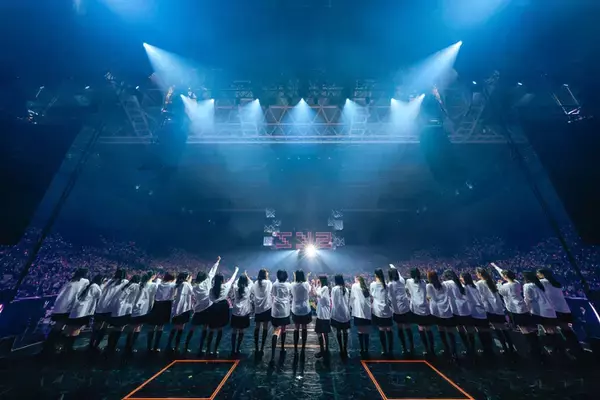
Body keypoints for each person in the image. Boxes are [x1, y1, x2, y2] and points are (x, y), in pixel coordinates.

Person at [42, 268, 89, 355]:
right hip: (68, 308)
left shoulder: (70, 281)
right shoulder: (84, 282)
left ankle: (48, 346)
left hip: (60, 307)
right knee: (67, 328)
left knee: (57, 327)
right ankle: (59, 347)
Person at [537, 268, 582, 354]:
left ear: (542, 274)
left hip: (554, 309)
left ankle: (559, 349)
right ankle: (575, 347)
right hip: (564, 308)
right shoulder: (556, 282)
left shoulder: (542, 282)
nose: (537, 275)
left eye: (538, 273)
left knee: (551, 329)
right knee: (567, 329)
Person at [498, 269, 540, 357]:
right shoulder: (516, 282)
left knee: (524, 329)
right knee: (530, 328)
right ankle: (537, 346)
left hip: (515, 309)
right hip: (523, 307)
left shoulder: (506, 285)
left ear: (505, 276)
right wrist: (495, 266)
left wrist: (499, 284)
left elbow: (501, 292)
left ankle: (532, 349)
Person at [475, 267, 513, 354]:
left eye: (477, 273)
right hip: (498, 308)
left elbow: (482, 296)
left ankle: (504, 348)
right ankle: (511, 347)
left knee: (497, 329)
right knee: (503, 329)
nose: (476, 275)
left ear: (479, 274)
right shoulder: (490, 280)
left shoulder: (480, 283)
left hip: (490, 309)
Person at [523, 271, 561, 355]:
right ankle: (559, 347)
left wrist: (527, 309)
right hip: (550, 308)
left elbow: (528, 298)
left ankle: (552, 349)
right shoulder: (541, 283)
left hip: (540, 310)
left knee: (547, 329)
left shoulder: (527, 285)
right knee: (553, 329)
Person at [188, 256, 221, 355]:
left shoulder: (194, 286)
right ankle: (202, 347)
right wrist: (217, 261)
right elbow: (212, 271)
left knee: (192, 328)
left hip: (198, 309)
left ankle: (185, 345)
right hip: (207, 308)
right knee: (205, 328)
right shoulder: (207, 282)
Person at [90, 268, 128, 352]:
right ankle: (101, 345)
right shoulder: (125, 282)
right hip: (110, 308)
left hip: (100, 306)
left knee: (97, 327)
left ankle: (92, 344)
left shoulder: (110, 281)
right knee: (105, 326)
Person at [64, 273, 103, 353]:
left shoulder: (89, 284)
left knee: (69, 328)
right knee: (76, 329)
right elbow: (99, 295)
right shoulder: (96, 287)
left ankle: (63, 345)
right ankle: (69, 348)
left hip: (77, 308)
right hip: (83, 311)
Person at [206, 266, 239, 356]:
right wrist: (236, 270)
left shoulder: (212, 289)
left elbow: (210, 298)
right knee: (220, 329)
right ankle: (215, 349)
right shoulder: (225, 286)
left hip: (213, 307)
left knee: (211, 329)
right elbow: (232, 279)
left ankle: (208, 349)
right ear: (222, 280)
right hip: (223, 307)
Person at [105, 275, 141, 353]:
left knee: (116, 328)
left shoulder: (127, 284)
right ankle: (113, 347)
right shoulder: (136, 286)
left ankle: (109, 346)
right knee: (120, 328)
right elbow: (136, 298)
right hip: (125, 310)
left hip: (118, 309)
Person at [461, 272, 494, 356]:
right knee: (485, 331)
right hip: (482, 311)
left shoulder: (465, 288)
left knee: (477, 331)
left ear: (464, 279)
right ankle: (489, 349)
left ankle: (479, 350)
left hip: (474, 312)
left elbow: (465, 299)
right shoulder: (476, 285)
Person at [426, 270, 457, 359]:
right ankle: (454, 352)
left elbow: (429, 297)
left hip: (437, 312)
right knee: (450, 332)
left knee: (441, 330)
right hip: (446, 310)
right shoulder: (444, 285)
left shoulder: (429, 286)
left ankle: (446, 349)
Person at [442, 269, 474, 356]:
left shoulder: (446, 283)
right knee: (469, 330)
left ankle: (467, 347)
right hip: (466, 309)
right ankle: (472, 349)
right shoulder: (459, 282)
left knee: (460, 329)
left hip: (456, 310)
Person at [127, 272, 158, 354]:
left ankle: (128, 345)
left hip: (134, 308)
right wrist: (151, 308)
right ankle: (131, 347)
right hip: (143, 309)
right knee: (138, 327)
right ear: (153, 276)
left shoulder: (139, 284)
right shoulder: (153, 285)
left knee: (132, 327)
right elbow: (152, 298)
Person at [406, 268, 433, 355]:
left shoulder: (409, 282)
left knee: (421, 328)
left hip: (417, 309)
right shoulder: (424, 282)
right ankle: (432, 349)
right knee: (428, 329)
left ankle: (426, 349)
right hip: (425, 308)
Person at [147, 271, 176, 352]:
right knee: (160, 327)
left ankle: (149, 347)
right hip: (166, 305)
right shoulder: (172, 285)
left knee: (152, 326)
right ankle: (156, 347)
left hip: (157, 304)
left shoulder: (159, 283)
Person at [388, 266, 413, 355]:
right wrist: (393, 266)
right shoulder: (402, 280)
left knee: (400, 328)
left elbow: (390, 296)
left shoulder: (390, 284)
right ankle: (412, 346)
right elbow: (398, 273)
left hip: (397, 309)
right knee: (408, 327)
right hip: (405, 307)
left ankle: (404, 347)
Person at [167, 272, 194, 353]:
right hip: (184, 309)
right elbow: (192, 293)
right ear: (186, 277)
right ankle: (176, 346)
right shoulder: (186, 284)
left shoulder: (178, 284)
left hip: (177, 308)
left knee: (175, 327)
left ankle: (169, 345)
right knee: (180, 328)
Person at [270, 270, 292, 362]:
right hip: (284, 310)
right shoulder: (288, 285)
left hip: (276, 309)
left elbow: (273, 294)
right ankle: (282, 348)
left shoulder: (275, 284)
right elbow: (290, 294)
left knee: (275, 331)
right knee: (283, 329)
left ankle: (273, 353)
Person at [370, 268, 393, 356]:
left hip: (378, 311)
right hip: (387, 309)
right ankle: (390, 349)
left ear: (375, 275)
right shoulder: (386, 285)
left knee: (381, 330)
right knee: (389, 329)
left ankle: (384, 349)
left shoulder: (373, 284)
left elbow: (372, 295)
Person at [230, 272, 253, 356]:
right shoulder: (248, 289)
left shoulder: (235, 288)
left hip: (235, 312)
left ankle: (233, 349)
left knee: (234, 331)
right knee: (241, 330)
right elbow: (251, 282)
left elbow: (235, 283)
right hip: (244, 313)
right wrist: (246, 275)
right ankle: (238, 348)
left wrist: (238, 278)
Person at [251, 268, 272, 355]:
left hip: (258, 308)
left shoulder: (256, 283)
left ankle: (256, 347)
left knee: (257, 327)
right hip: (266, 307)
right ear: (265, 275)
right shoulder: (268, 282)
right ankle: (262, 347)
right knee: (265, 327)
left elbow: (253, 292)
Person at [291, 270, 312, 354]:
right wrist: (307, 277)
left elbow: (293, 289)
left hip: (296, 309)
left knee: (296, 327)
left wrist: (294, 277)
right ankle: (303, 347)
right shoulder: (306, 284)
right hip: (305, 309)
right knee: (304, 327)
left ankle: (295, 348)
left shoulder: (292, 284)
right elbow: (309, 289)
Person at [350, 275, 372, 356]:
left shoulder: (354, 286)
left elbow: (352, 297)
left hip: (359, 311)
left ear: (357, 279)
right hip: (367, 312)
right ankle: (366, 349)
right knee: (366, 331)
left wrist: (351, 307)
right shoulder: (365, 287)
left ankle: (362, 349)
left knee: (360, 331)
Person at [331, 274, 351, 358]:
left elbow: (333, 301)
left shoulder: (334, 289)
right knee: (345, 331)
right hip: (345, 312)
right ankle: (345, 348)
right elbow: (347, 301)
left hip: (337, 312)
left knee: (338, 331)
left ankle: (341, 348)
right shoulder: (346, 289)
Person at [315, 275, 332, 359]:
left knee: (324, 332)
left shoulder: (325, 288)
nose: (317, 280)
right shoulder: (321, 288)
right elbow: (315, 293)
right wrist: (316, 285)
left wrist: (315, 285)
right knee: (319, 332)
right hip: (320, 313)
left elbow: (318, 295)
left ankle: (325, 350)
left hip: (324, 314)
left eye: (319, 279)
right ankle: (323, 350)